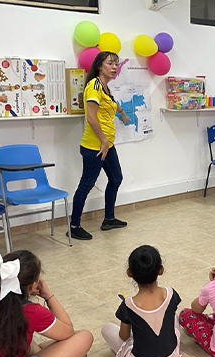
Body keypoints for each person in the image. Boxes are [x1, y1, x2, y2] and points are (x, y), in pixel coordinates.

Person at [69, 51, 130, 240]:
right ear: (99, 66)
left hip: (106, 144)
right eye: (110, 63)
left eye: (116, 64)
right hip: (95, 146)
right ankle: (74, 225)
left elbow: (111, 104)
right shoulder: (94, 86)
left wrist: (122, 112)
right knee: (86, 185)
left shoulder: (105, 87)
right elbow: (91, 117)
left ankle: (109, 219)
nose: (114, 67)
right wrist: (103, 140)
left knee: (116, 178)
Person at [101, 245, 181, 357]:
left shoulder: (128, 305)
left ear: (129, 273)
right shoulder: (172, 294)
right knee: (174, 316)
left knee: (106, 329)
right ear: (160, 270)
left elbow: (124, 336)